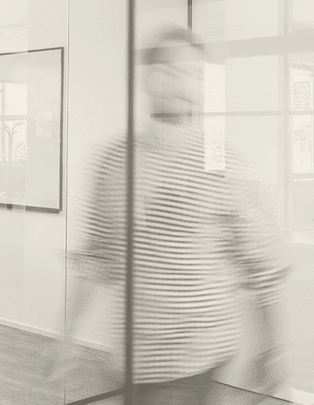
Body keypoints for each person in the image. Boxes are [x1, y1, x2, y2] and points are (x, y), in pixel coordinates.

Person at [61, 26, 290, 403]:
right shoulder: (114, 161)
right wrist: (67, 335)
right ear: (148, 78)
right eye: (173, 70)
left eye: (196, 75)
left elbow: (263, 266)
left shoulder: (227, 165)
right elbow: (97, 257)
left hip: (194, 355)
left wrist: (274, 347)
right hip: (127, 354)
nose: (186, 84)